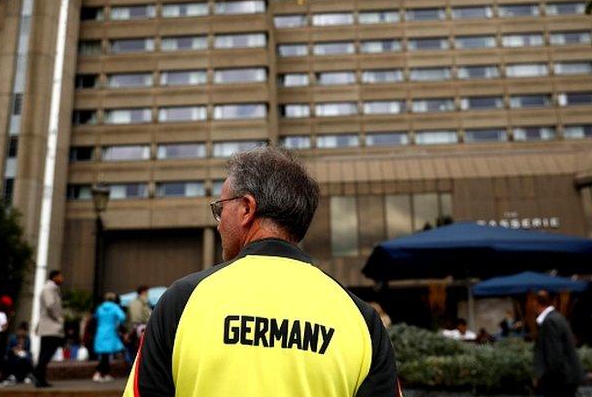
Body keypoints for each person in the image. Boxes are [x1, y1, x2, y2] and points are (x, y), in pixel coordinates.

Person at [123, 146, 400, 396]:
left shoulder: (181, 303)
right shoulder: (361, 320)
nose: (219, 224)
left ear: (246, 208)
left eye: (220, 209)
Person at [530, 290, 584, 397]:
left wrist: (543, 378)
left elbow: (554, 354)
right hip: (565, 377)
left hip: (560, 380)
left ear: (535, 303)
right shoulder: (556, 317)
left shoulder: (550, 321)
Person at [34, 270, 64, 388]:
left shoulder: (52, 289)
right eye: (60, 276)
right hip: (50, 326)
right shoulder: (49, 289)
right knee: (48, 351)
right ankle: (37, 372)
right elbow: (50, 305)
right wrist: (59, 319)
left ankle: (40, 378)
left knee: (45, 352)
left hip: (49, 326)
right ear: (54, 277)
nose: (62, 279)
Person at [93, 292, 126, 383]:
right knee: (106, 355)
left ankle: (105, 373)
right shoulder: (115, 307)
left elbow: (95, 317)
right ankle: (99, 373)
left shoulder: (100, 308)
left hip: (100, 331)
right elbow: (122, 317)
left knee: (104, 355)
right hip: (110, 331)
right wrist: (117, 323)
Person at [125, 286, 151, 362]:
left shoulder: (142, 303)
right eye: (147, 292)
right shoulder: (137, 303)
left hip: (137, 331)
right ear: (143, 292)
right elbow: (135, 319)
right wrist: (130, 333)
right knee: (136, 354)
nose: (148, 295)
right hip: (138, 332)